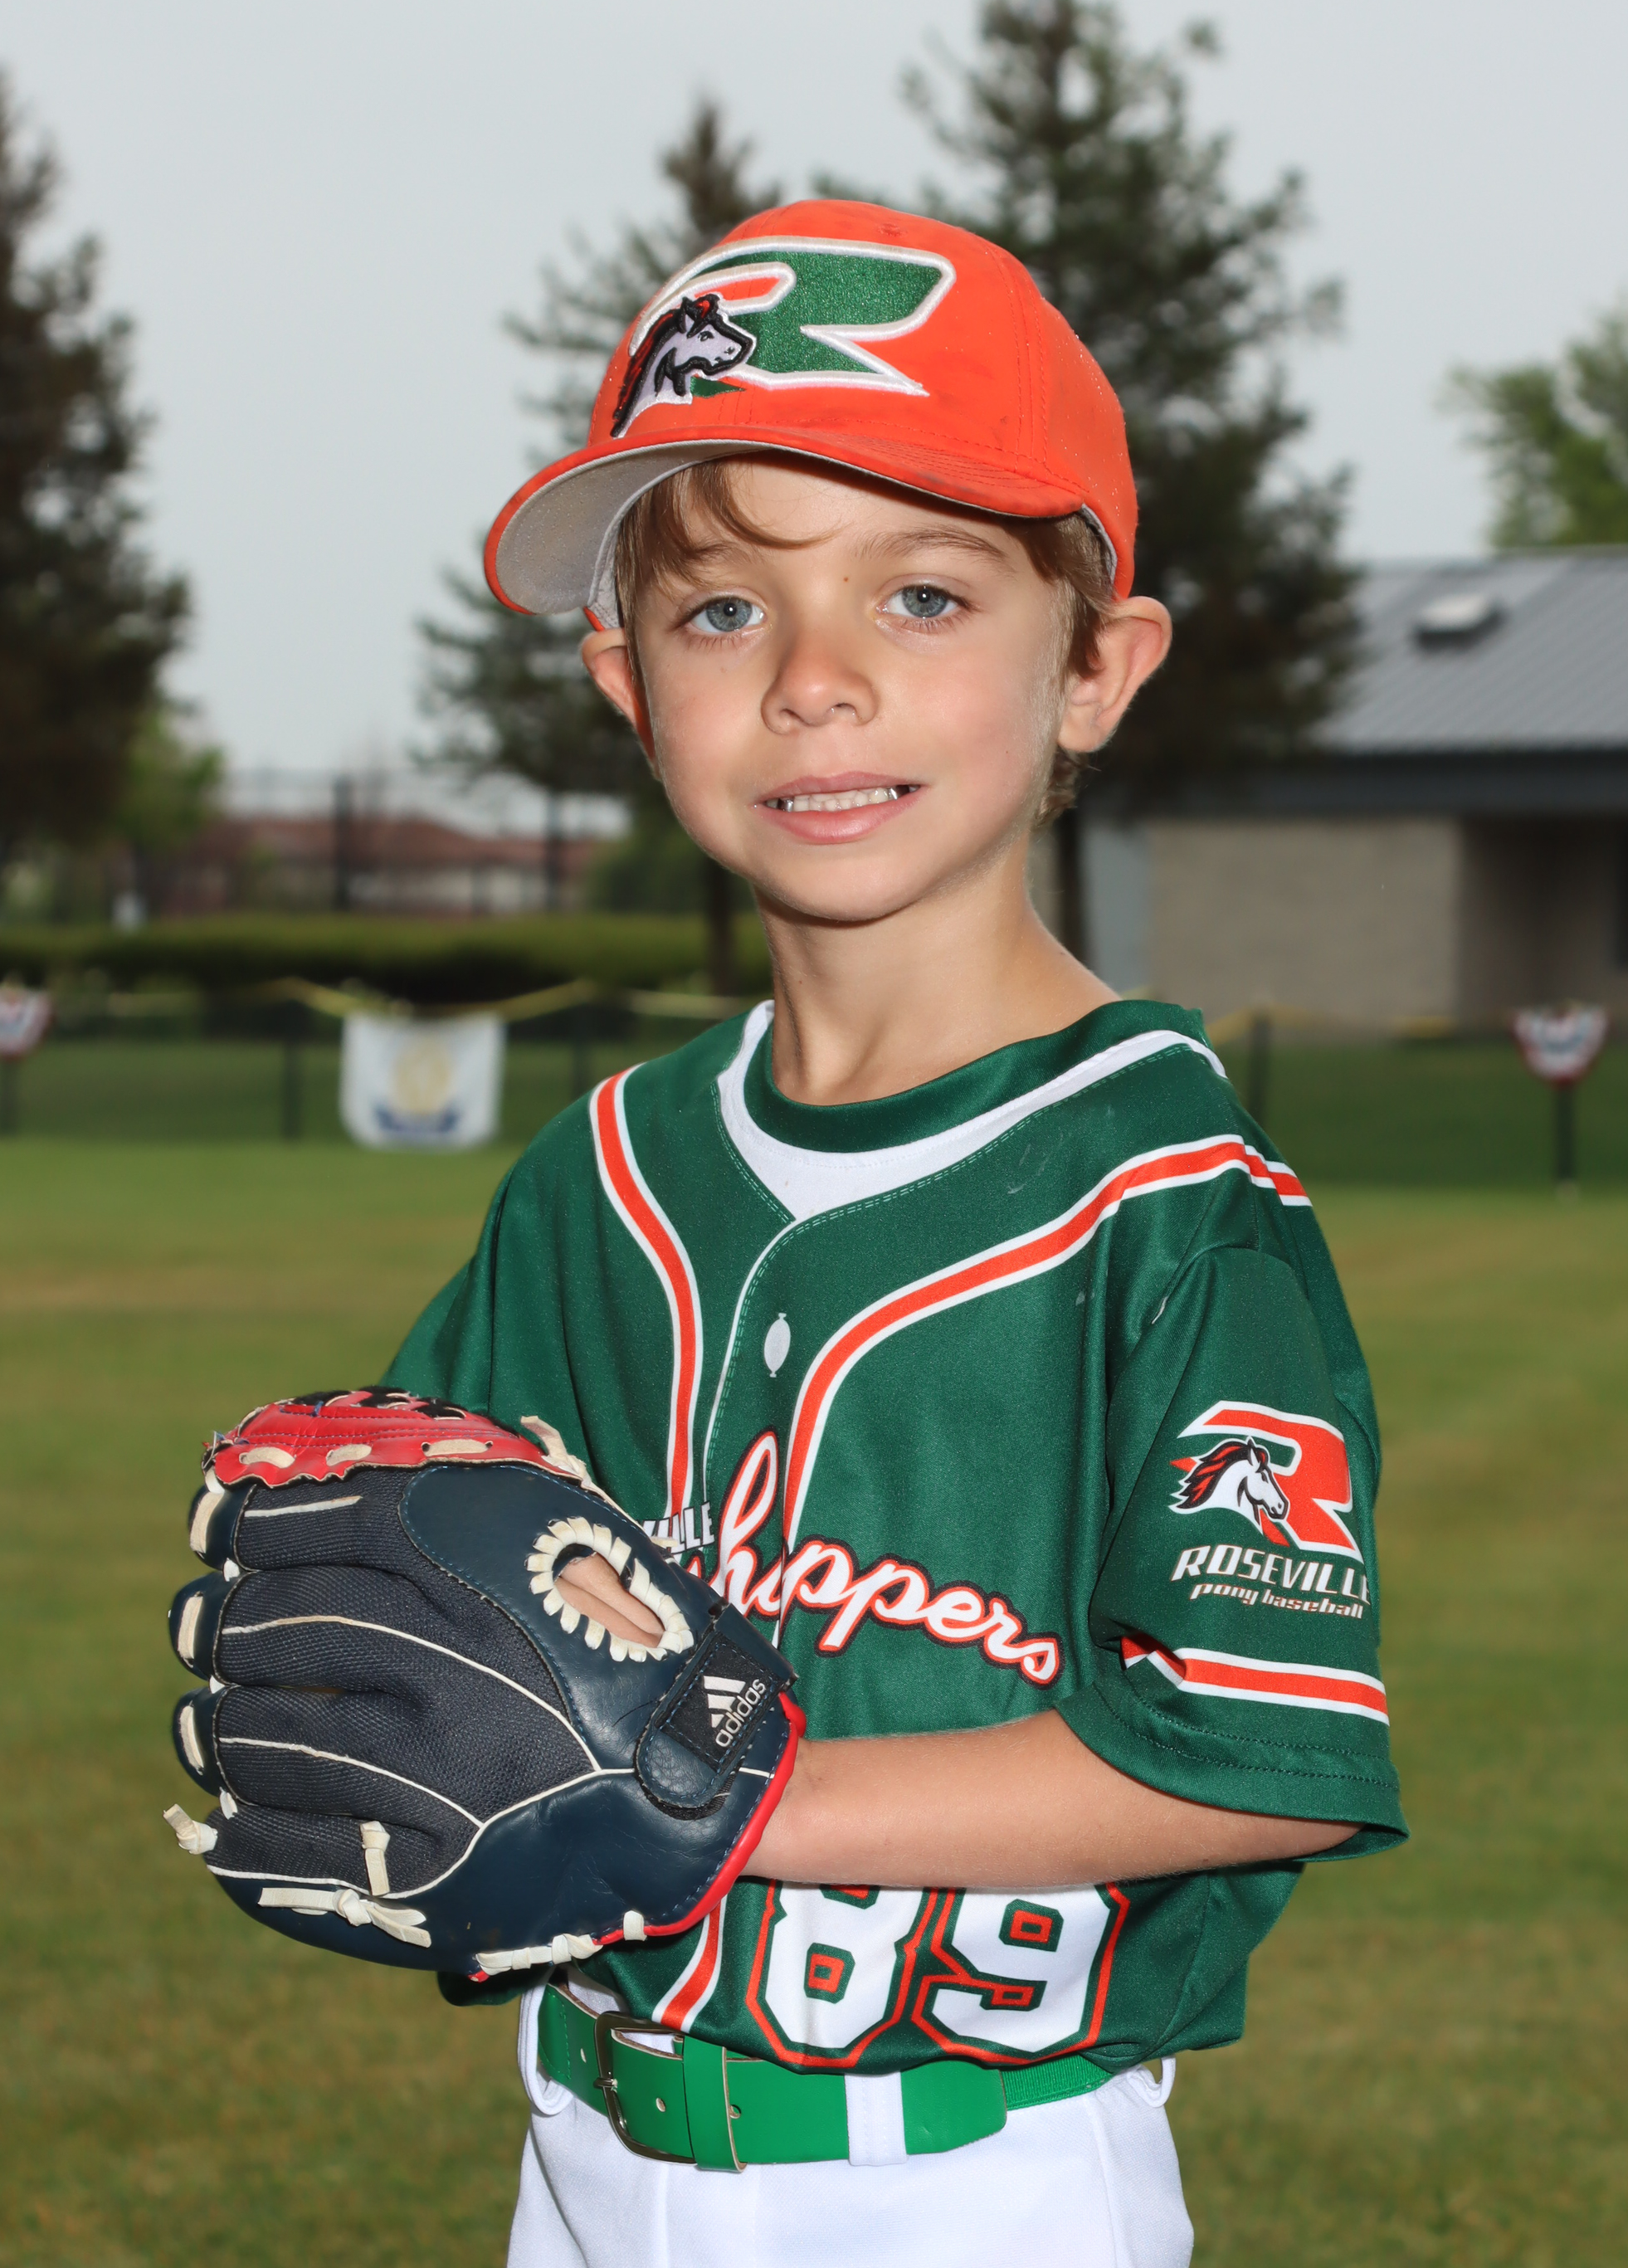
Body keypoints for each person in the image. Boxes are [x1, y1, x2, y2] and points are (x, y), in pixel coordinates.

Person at [388, 198, 1405, 2268]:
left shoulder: (1170, 1202)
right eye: (720, 611)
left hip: (975, 2178)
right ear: (625, 680)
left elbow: (1251, 1748)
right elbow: (434, 1614)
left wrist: (716, 1802)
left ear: (1095, 670)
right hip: (583, 2154)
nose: (816, 682)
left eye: (922, 593)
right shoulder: (596, 1177)